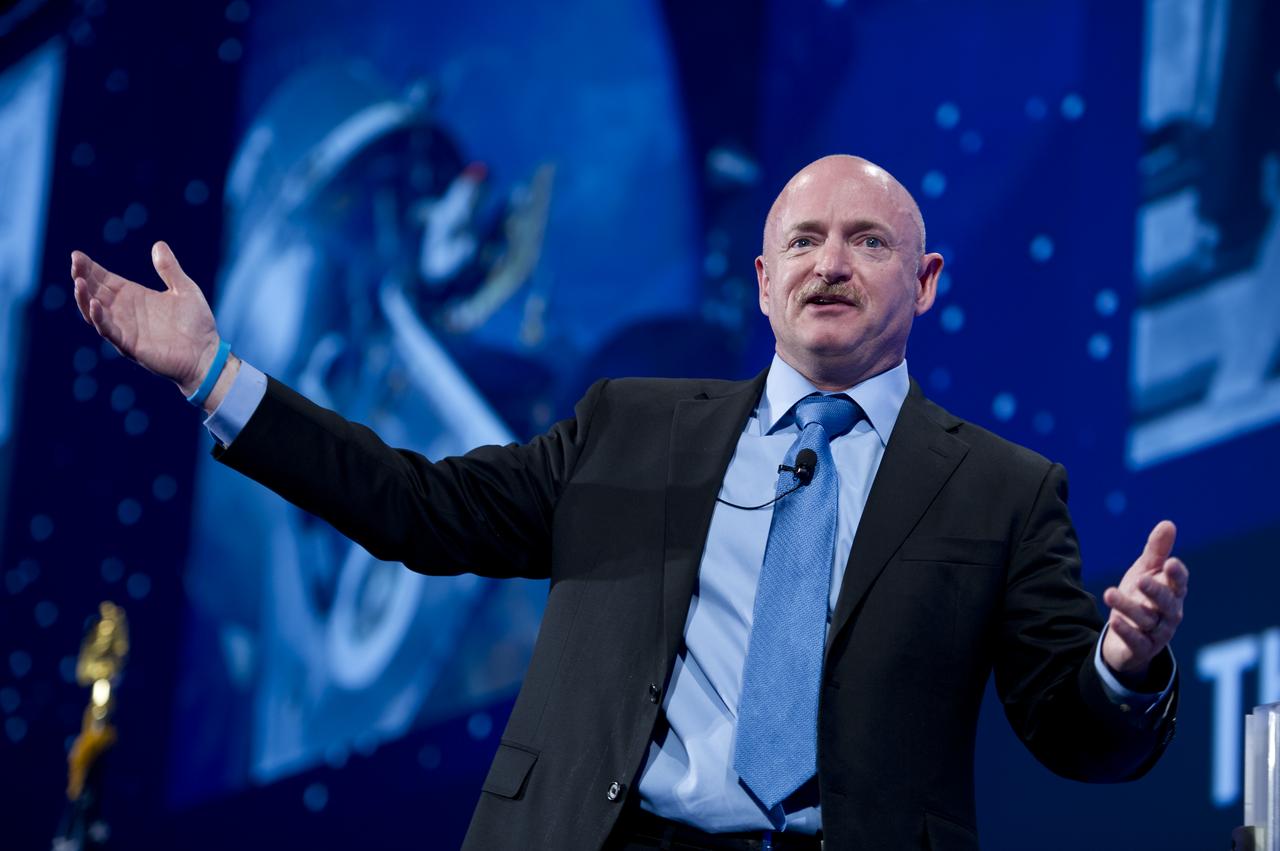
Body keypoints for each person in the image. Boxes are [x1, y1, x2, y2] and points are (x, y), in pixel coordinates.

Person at [70, 155, 1186, 850]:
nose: (829, 262)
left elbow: (1074, 732)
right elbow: (412, 506)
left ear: (926, 279)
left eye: (866, 240)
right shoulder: (630, 427)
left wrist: (1119, 664)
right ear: (760, 279)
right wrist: (217, 377)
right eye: (801, 239)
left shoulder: (1000, 486)